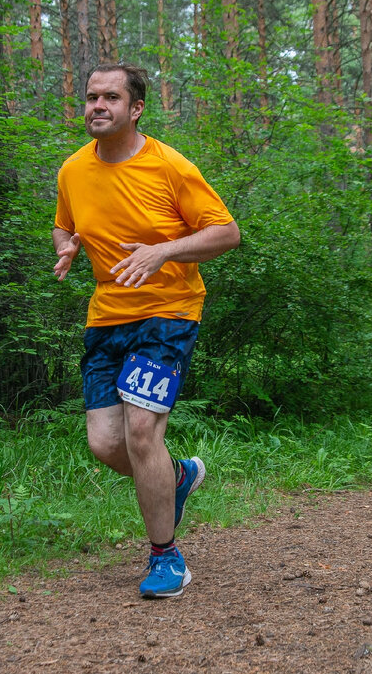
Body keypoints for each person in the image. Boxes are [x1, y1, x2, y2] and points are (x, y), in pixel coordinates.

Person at [53, 63, 240, 598]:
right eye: (91, 97)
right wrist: (67, 246)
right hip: (106, 316)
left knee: (141, 432)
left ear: (135, 109)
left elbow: (226, 232)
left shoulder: (169, 166)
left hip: (169, 311)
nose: (97, 106)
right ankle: (177, 477)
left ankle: (167, 557)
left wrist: (164, 251)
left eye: (110, 97)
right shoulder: (72, 170)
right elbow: (64, 225)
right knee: (105, 443)